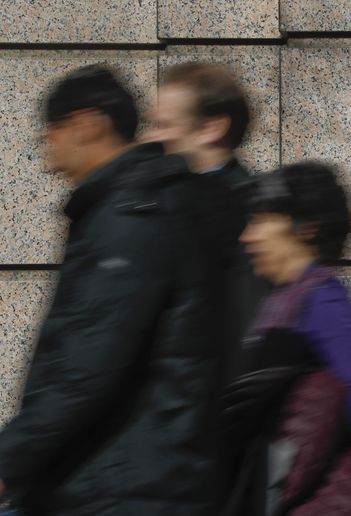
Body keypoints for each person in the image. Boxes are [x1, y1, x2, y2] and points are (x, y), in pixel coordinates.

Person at [0, 65, 225, 514]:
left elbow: (86, 364)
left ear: (87, 124)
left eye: (52, 131)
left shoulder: (131, 216)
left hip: (121, 486)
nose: (46, 148)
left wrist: (8, 461)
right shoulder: (127, 206)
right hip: (119, 479)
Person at [224, 162, 351, 515]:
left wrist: (301, 442)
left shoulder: (323, 297)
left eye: (262, 220)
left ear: (305, 228)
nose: (248, 236)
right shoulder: (283, 299)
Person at [145, 62, 262, 382]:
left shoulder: (249, 212)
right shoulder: (171, 199)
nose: (151, 138)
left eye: (164, 125)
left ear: (212, 128)